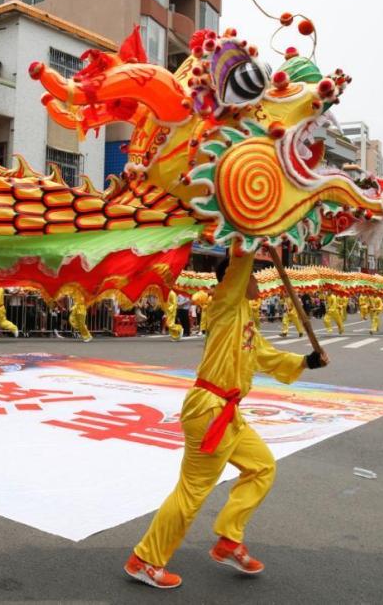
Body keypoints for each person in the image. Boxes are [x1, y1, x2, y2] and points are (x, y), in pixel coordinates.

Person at [125, 251, 328, 589]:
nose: (256, 283)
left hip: (228, 413)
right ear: (235, 280)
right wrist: (247, 241)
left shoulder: (246, 319)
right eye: (251, 276)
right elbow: (237, 271)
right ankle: (145, 560)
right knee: (191, 493)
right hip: (209, 410)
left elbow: (266, 357)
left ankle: (229, 541)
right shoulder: (225, 305)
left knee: (262, 467)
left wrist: (307, 362)